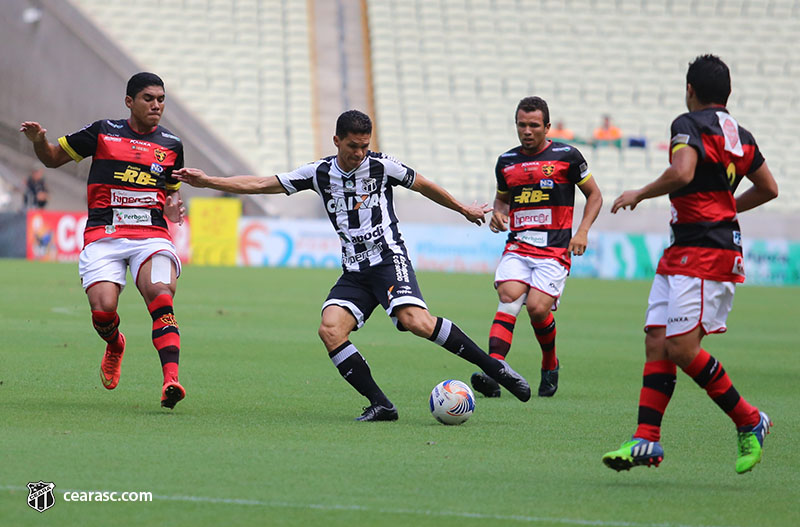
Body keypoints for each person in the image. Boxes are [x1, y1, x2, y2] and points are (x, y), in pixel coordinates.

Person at [174, 109, 532, 421]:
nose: (360, 153)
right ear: (336, 141)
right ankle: (381, 405)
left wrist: (463, 209)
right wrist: (208, 181)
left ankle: (494, 367)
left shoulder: (380, 165)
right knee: (330, 329)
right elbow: (261, 183)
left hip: (389, 259)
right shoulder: (318, 173)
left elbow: (423, 185)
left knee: (414, 321)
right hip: (356, 271)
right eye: (352, 146)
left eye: (365, 145)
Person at [602, 55, 778, 474]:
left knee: (682, 348)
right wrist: (725, 208)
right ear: (728, 94)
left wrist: (641, 193)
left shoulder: (689, 124)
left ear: (689, 90)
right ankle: (646, 439)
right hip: (686, 249)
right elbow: (769, 188)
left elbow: (682, 173)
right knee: (658, 340)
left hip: (704, 250)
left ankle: (750, 420)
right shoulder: (742, 135)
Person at [20, 72, 188, 410]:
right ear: (129, 102)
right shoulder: (103, 132)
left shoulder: (172, 145)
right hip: (104, 235)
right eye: (148, 98)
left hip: (151, 236)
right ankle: (114, 344)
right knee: (103, 309)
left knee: (160, 295)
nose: (156, 105)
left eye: (161, 99)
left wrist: (172, 208)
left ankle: (171, 379)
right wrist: (39, 141)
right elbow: (52, 158)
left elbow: (171, 195)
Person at [469, 97, 603, 399]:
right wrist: (499, 214)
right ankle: (496, 368)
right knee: (508, 296)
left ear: (547, 127)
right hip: (519, 246)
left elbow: (594, 196)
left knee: (537, 308)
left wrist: (581, 232)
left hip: (554, 250)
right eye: (521, 125)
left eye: (533, 125)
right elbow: (502, 199)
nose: (527, 131)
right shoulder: (506, 162)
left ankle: (549, 363)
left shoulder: (568, 156)